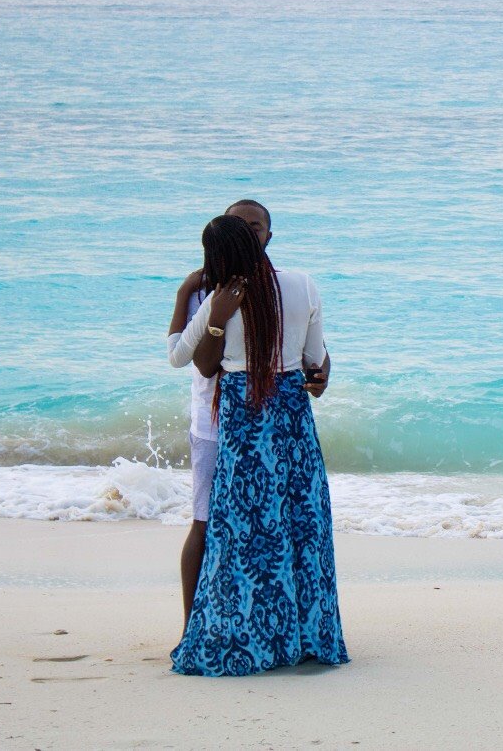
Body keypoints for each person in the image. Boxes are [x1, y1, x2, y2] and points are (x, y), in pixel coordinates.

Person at [168, 213, 349, 676]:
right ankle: (305, 636)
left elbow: (183, 359)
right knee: (300, 523)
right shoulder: (304, 284)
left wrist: (208, 312)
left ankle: (244, 638)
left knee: (243, 532)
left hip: (244, 420)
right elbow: (314, 358)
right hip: (292, 417)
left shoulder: (219, 299)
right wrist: (321, 372)